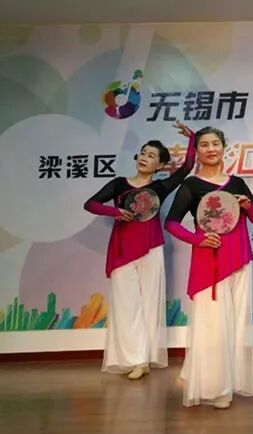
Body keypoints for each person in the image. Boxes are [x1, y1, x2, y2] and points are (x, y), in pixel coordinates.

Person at [84, 120, 195, 380]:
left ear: (160, 165)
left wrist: (192, 137)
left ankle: (143, 360)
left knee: (149, 304)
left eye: (152, 156)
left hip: (150, 249)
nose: (145, 157)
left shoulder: (160, 187)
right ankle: (132, 358)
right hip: (123, 251)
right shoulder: (119, 184)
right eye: (143, 153)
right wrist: (115, 212)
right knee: (126, 306)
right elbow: (90, 204)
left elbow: (187, 167)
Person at [165, 126, 253, 408]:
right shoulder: (191, 185)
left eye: (215, 144)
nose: (211, 149)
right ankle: (214, 387)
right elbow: (171, 222)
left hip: (239, 259)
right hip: (209, 261)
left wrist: (247, 206)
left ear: (224, 147)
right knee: (212, 325)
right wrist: (197, 239)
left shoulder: (237, 183)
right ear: (197, 151)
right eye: (204, 145)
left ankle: (210, 377)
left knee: (234, 324)